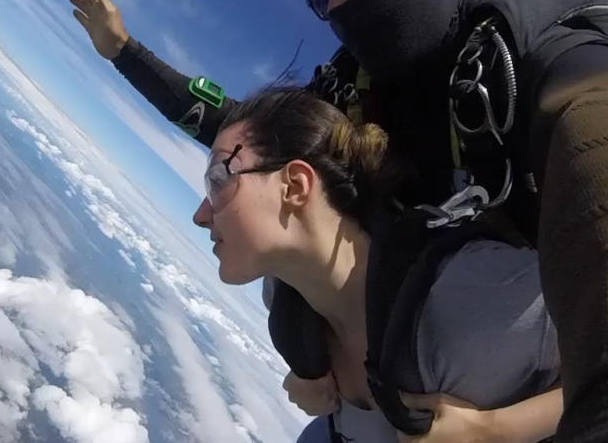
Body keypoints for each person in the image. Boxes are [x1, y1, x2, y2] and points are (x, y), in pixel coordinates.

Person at [68, 0, 608, 440]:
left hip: (524, 384)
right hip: (383, 376)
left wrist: (507, 427)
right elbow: (243, 141)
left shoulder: (540, 51)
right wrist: (124, 52)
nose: (335, 2)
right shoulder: (350, 96)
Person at [192, 85, 563, 443]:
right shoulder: (288, 303)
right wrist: (304, 364)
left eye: (219, 179)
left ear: (295, 186)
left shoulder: (477, 300)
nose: (201, 214)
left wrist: (500, 429)